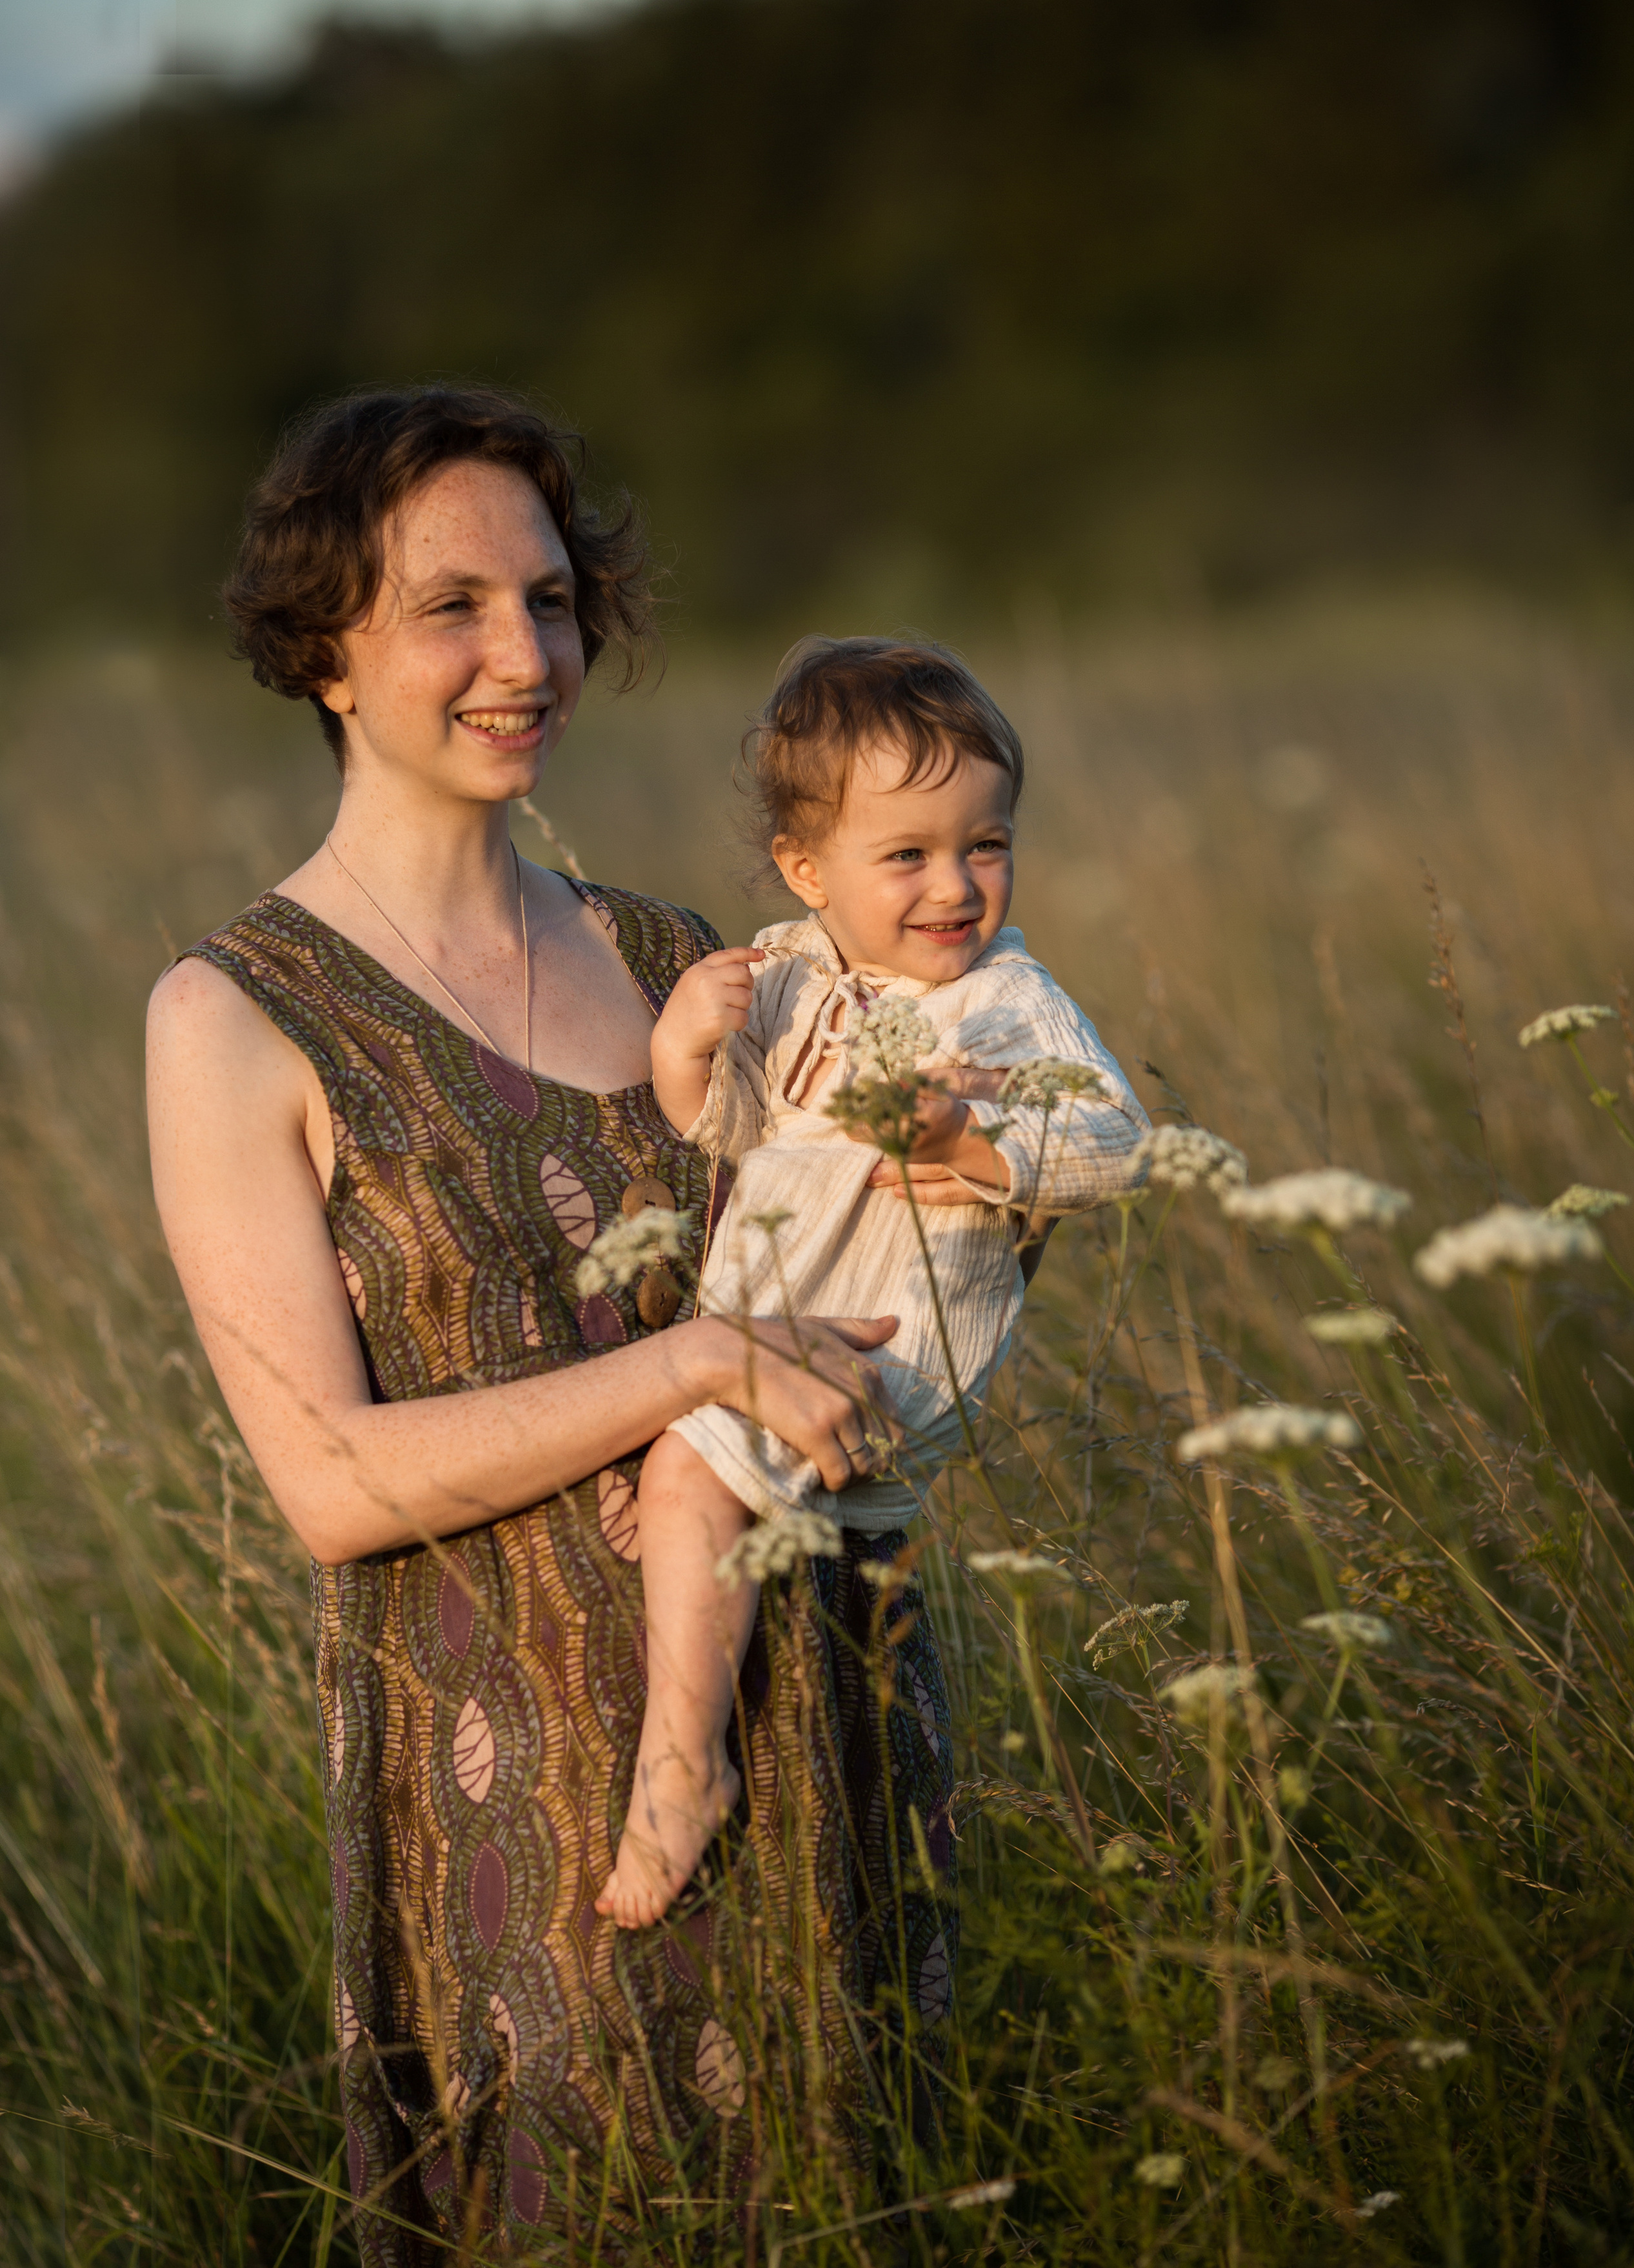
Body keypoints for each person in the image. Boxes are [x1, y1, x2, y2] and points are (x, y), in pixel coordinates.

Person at [144, 386, 955, 2260]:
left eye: (552, 600)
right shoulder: (237, 1017)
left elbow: (872, 1297)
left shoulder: (692, 963)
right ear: (324, 651)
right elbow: (330, 1484)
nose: (525, 656)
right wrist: (691, 1362)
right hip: (525, 1818)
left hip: (818, 1711)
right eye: (453, 608)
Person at [596, 637, 1151, 1927]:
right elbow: (736, 1131)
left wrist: (968, 1140)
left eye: (986, 845)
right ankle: (725, 1532)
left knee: (679, 1479)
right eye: (907, 855)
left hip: (889, 1352)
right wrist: (685, 1051)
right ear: (808, 871)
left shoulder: (1008, 1003)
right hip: (778, 1336)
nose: (955, 886)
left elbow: (1117, 1143)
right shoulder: (792, 974)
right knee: (687, 1495)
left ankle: (682, 1774)